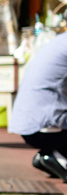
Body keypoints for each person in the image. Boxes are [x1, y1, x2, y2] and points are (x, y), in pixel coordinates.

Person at [9, 32, 67, 182]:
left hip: (31, 124)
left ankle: (50, 156)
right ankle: (57, 158)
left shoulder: (60, 41)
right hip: (45, 128)